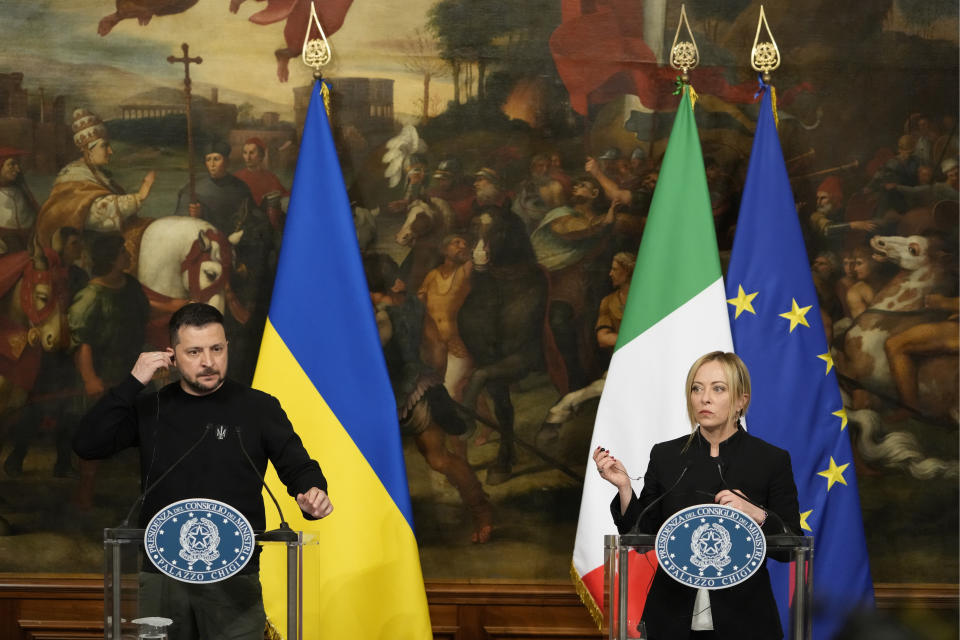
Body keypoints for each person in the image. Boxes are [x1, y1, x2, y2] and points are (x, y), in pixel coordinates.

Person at [73, 302, 331, 640]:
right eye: (194, 351)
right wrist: (133, 383)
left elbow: (300, 468)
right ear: (172, 356)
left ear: (228, 348)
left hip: (234, 576)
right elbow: (88, 444)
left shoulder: (259, 408)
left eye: (216, 349)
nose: (208, 361)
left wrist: (313, 493)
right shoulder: (153, 408)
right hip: (162, 575)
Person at [593, 351, 801, 640]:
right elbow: (639, 537)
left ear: (742, 400)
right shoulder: (667, 456)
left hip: (746, 621)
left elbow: (791, 549)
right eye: (696, 388)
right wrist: (625, 487)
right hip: (671, 619)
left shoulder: (770, 459)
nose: (705, 398)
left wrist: (757, 514)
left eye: (718, 388)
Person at [35, 108, 155, 251]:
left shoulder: (96, 173)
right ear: (88, 150)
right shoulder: (73, 177)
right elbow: (94, 215)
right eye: (104, 146)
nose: (111, 151)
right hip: (84, 252)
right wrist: (139, 197)